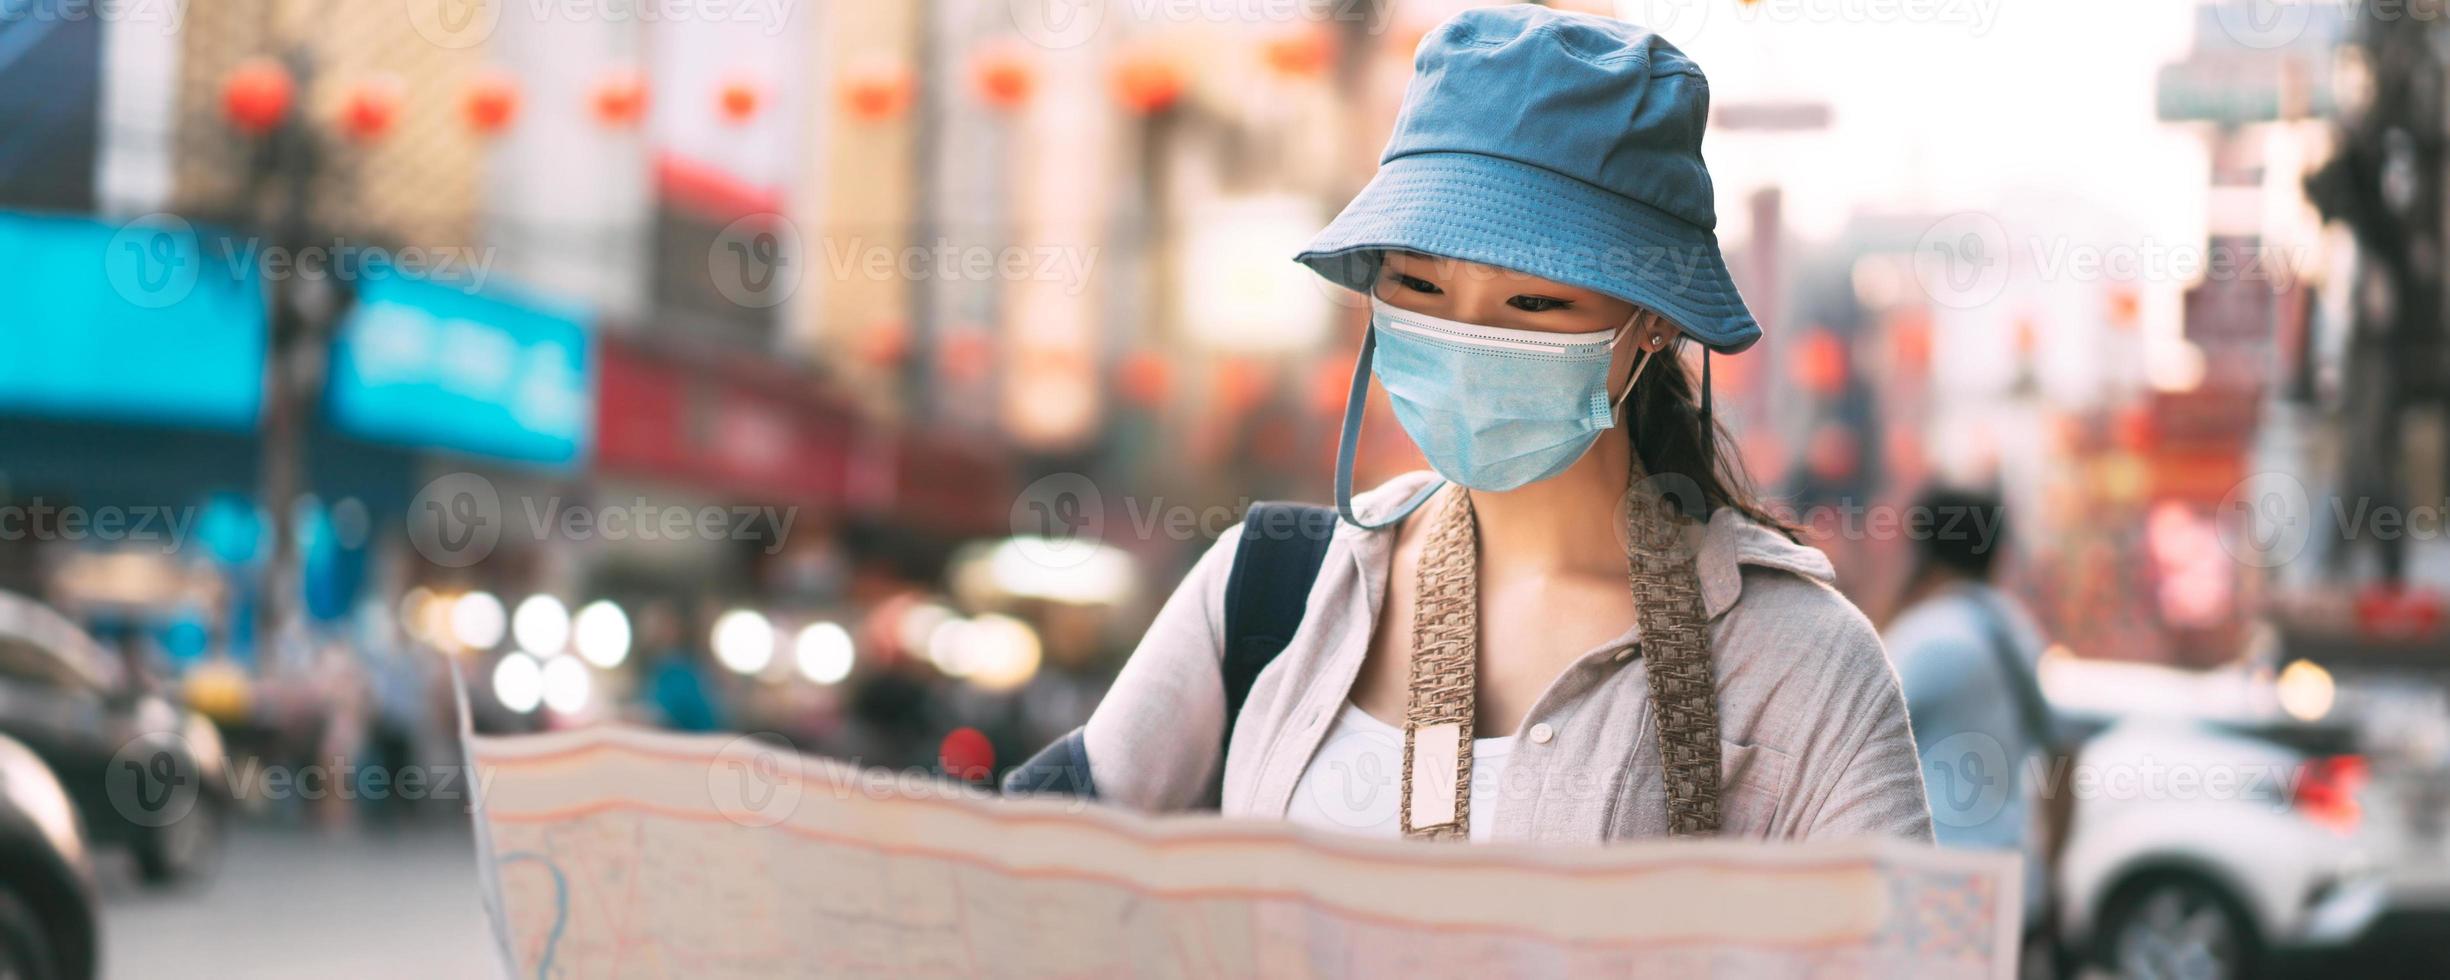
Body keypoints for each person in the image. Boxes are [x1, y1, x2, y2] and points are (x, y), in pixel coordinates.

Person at [1022, 8, 1931, 843]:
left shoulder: (1800, 668)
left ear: (1652, 323)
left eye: (1534, 300)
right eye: (1419, 286)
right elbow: (1019, 878)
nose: (1467, 337)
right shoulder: (1269, 593)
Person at [1884, 486, 2070, 969]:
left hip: (1941, 889)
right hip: (2012, 883)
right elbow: (2064, 751)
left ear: (1923, 548)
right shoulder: (2012, 626)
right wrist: (2051, 873)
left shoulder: (1928, 637)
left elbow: (1856, 734)